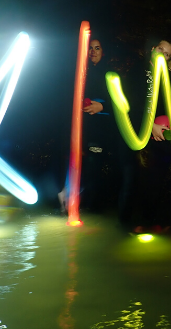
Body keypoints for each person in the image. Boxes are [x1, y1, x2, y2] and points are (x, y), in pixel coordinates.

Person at [120, 39, 171, 232]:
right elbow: (131, 104)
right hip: (143, 135)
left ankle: (153, 221)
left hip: (165, 138)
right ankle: (138, 222)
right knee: (141, 177)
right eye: (161, 49)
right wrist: (150, 127)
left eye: (167, 54)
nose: (163, 55)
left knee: (159, 179)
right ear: (152, 49)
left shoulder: (170, 78)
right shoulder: (136, 73)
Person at [59, 39, 119, 213]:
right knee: (76, 167)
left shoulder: (110, 74)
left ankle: (92, 212)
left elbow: (122, 104)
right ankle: (71, 204)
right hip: (80, 131)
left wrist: (102, 106)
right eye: (90, 48)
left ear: (104, 52)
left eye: (97, 48)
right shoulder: (80, 73)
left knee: (94, 170)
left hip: (99, 132)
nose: (93, 51)